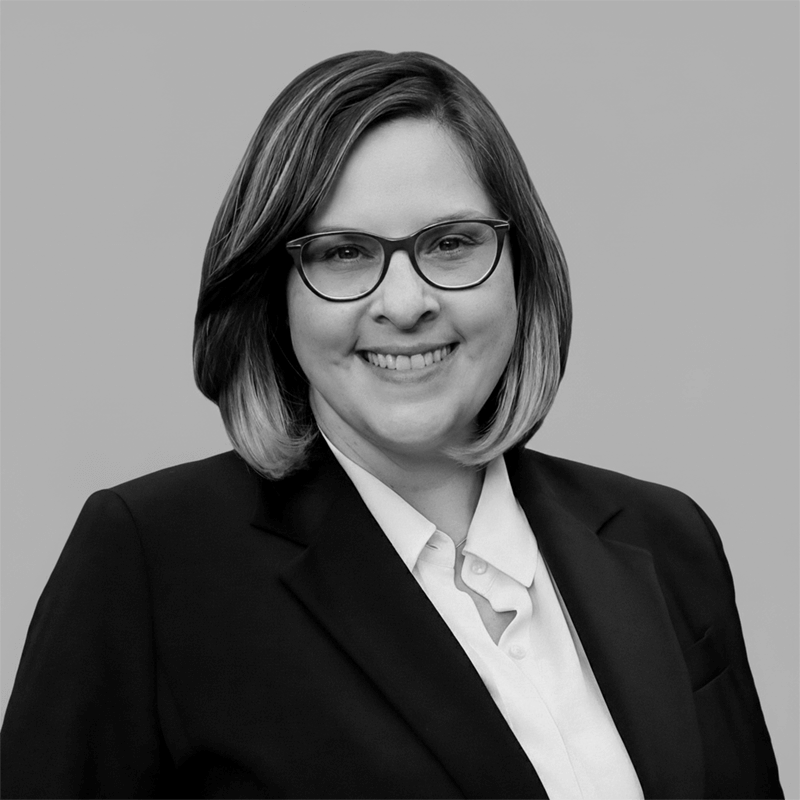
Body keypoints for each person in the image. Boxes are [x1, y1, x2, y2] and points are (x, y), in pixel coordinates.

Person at [0, 50, 783, 800]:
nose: (405, 304)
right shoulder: (151, 560)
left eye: (450, 243)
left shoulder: (668, 538)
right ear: (275, 293)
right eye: (343, 253)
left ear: (521, 269)